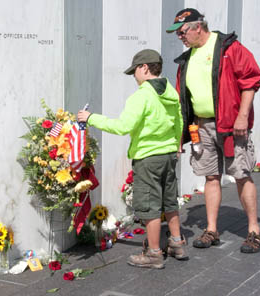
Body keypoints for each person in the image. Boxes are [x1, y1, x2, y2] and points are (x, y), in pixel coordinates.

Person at [78, 49, 188, 268]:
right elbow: (179, 121)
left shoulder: (142, 95)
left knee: (149, 206)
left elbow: (123, 127)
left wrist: (92, 118)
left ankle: (154, 253)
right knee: (169, 201)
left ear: (144, 68)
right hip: (168, 155)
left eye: (135, 72)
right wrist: (176, 145)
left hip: (148, 157)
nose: (134, 77)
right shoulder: (171, 91)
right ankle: (177, 242)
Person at [166, 8, 260, 253]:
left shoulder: (229, 48)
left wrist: (242, 116)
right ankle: (212, 229)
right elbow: (182, 101)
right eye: (177, 33)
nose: (180, 37)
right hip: (201, 125)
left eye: (182, 31)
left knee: (241, 174)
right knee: (210, 176)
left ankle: (253, 231)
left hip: (231, 125)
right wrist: (180, 135)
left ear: (198, 26)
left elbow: (250, 81)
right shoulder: (187, 59)